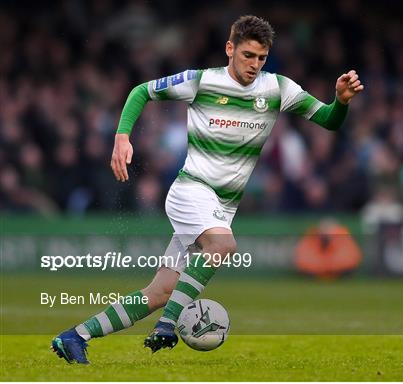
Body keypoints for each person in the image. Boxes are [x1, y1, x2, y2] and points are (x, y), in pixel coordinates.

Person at [51, 15, 364, 364]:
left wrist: (342, 102)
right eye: (247, 55)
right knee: (222, 244)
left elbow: (328, 120)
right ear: (230, 49)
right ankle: (168, 325)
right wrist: (122, 137)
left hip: (221, 206)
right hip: (191, 191)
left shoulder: (278, 89)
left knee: (160, 291)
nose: (254, 65)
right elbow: (142, 91)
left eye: (261, 58)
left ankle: (75, 336)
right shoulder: (201, 81)